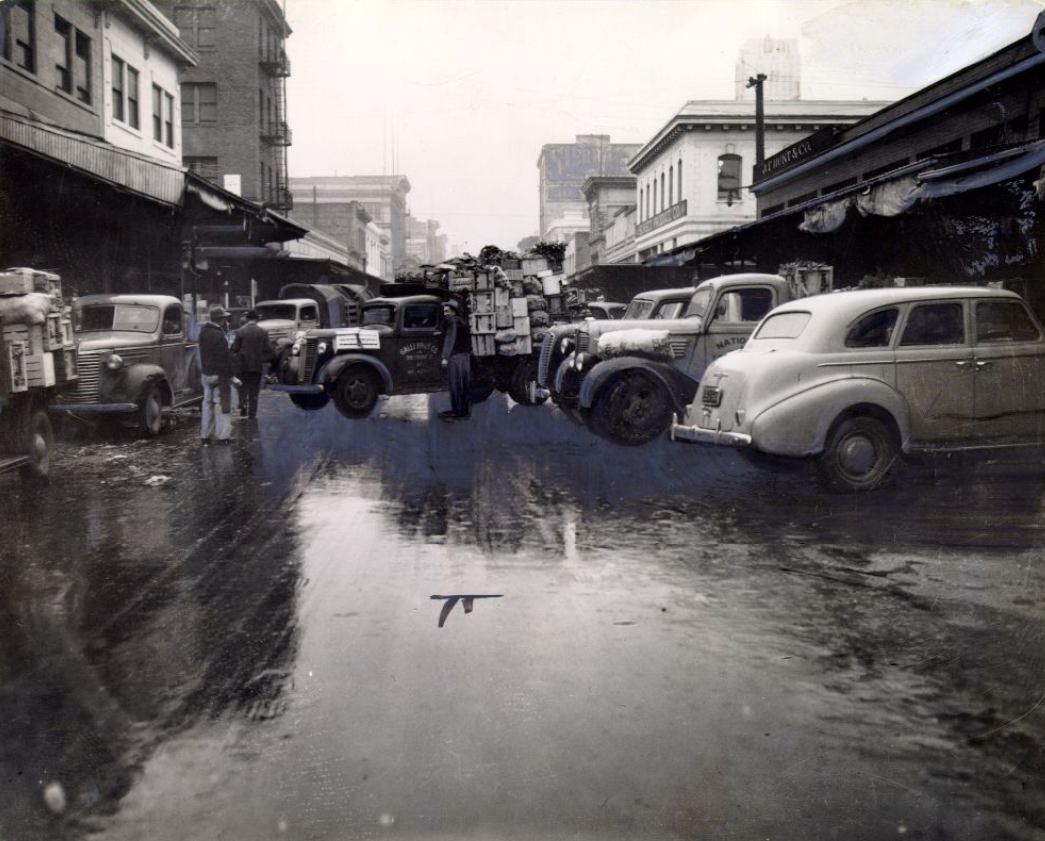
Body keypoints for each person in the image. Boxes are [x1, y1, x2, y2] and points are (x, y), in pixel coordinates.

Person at [198, 306, 239, 444]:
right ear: (221, 320)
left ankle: (205, 437)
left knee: (207, 404)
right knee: (222, 405)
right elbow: (224, 358)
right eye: (224, 318)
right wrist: (231, 376)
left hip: (206, 374)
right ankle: (223, 437)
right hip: (219, 375)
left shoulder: (203, 332)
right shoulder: (219, 335)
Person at [231, 309, 273, 419]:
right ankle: (252, 414)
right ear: (256, 319)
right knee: (254, 390)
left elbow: (235, 349)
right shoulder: (263, 332)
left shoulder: (240, 331)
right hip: (256, 366)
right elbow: (269, 350)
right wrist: (263, 359)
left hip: (242, 365)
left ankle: (243, 404)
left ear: (247, 319)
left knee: (242, 387)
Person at [440, 299, 472, 421]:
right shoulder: (461, 321)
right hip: (465, 357)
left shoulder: (453, 322)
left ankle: (458, 413)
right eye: (444, 311)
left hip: (456, 358)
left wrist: (445, 357)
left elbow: (450, 340)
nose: (445, 314)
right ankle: (463, 412)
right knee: (463, 385)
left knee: (456, 385)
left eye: (447, 311)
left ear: (453, 311)